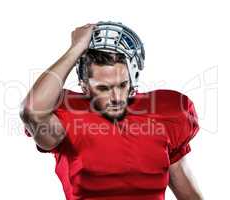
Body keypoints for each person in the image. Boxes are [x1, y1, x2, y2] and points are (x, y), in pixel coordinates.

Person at [19, 22, 203, 200]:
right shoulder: (67, 120)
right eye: (104, 88)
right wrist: (76, 48)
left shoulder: (164, 115)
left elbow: (188, 194)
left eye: (122, 85)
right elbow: (32, 110)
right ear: (84, 87)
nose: (117, 98)